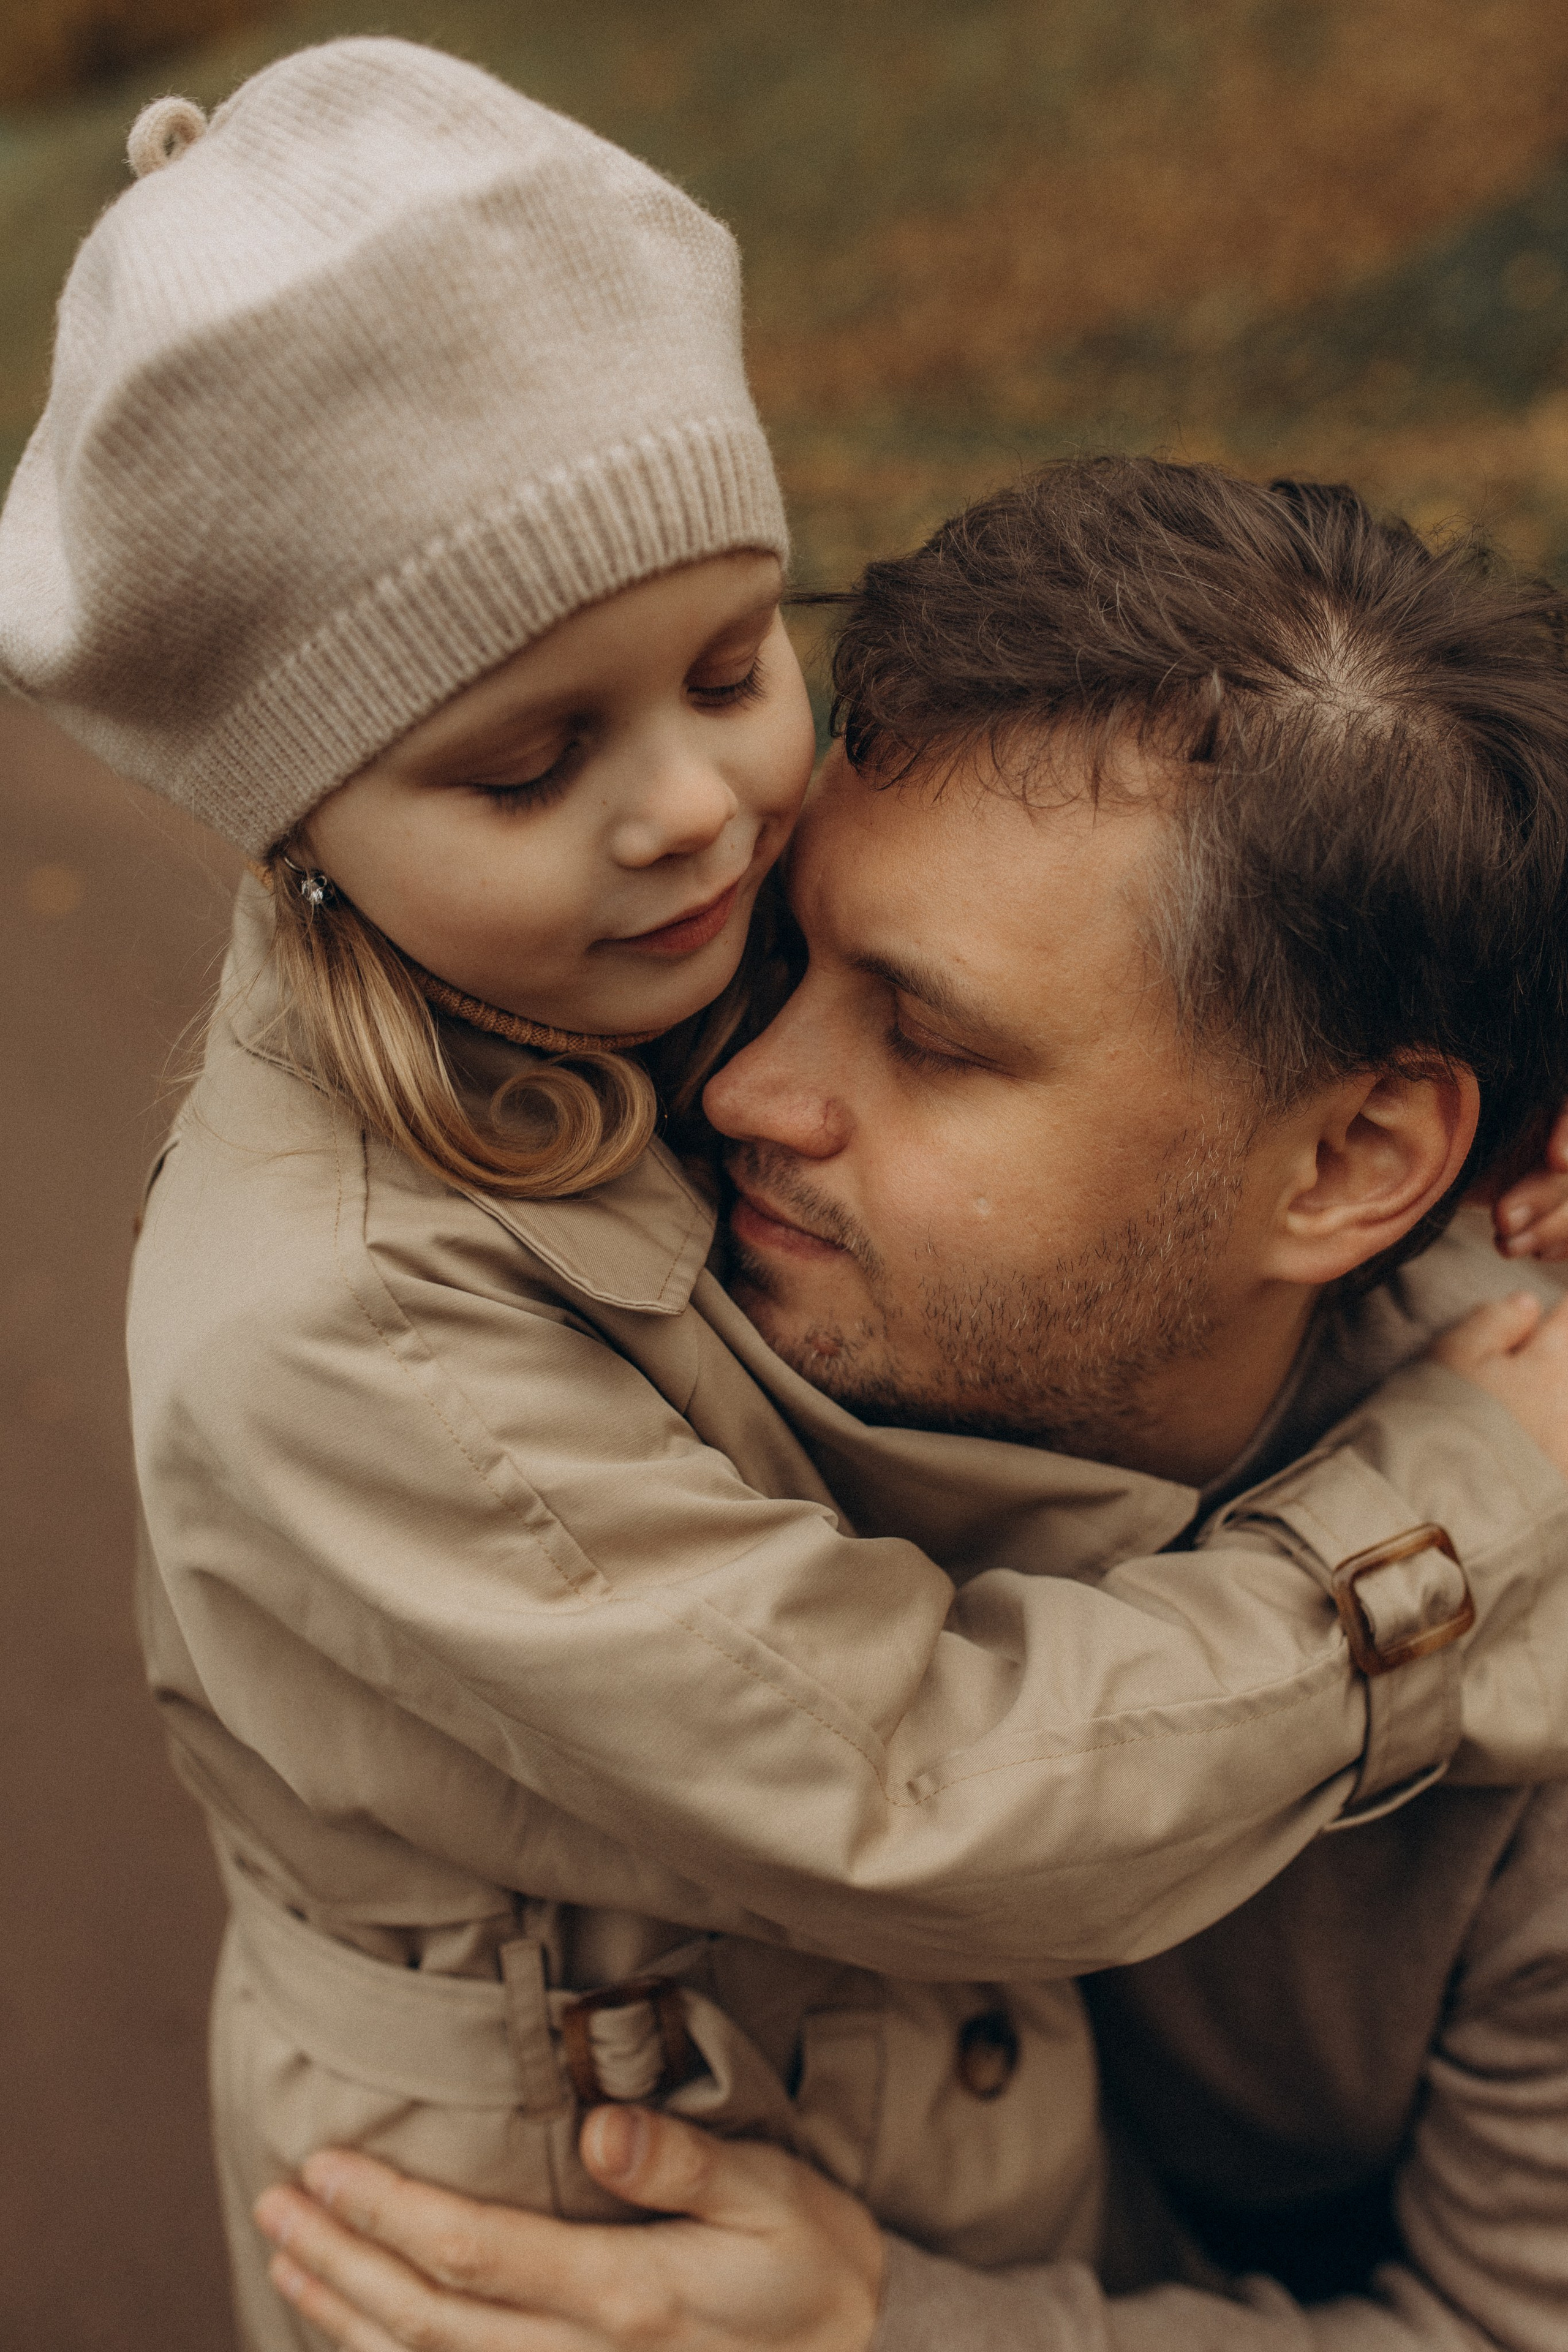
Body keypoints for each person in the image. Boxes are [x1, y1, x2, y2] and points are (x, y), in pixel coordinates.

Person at [2, 39, 1564, 2352]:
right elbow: (909, 1779)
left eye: (735, 673)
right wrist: (1452, 1504)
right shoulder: (351, 1328)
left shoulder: (595, 961)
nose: (746, 1064)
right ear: (305, 827)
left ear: (1361, 1150)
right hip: (570, 2227)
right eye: (534, 762)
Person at [247, 464, 1568, 2352]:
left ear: (1354, 1158)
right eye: (782, 957)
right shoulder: (591, 1330)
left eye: (931, 1038)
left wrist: (896, 2331)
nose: (746, 1091)